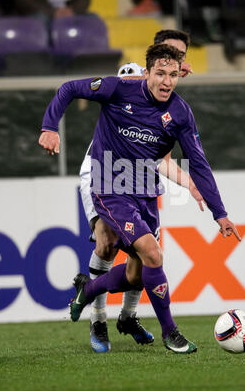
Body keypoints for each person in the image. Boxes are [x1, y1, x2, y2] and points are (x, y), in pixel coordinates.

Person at [39, 43, 241, 354]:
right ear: (146, 74)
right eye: (160, 74)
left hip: (145, 190)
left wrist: (220, 213)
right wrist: (50, 127)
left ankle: (88, 290)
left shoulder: (180, 113)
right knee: (152, 253)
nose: (167, 81)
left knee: (136, 275)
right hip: (109, 185)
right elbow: (68, 88)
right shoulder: (118, 89)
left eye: (173, 74)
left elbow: (197, 161)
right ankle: (169, 332)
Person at [79, 30, 197, 354]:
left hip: (141, 182)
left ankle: (128, 317)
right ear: (157, 51)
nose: (178, 63)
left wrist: (190, 184)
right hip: (102, 173)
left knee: (144, 259)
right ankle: (98, 320)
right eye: (173, 55)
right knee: (107, 245)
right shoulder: (132, 77)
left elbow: (161, 156)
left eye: (181, 59)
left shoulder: (169, 96)